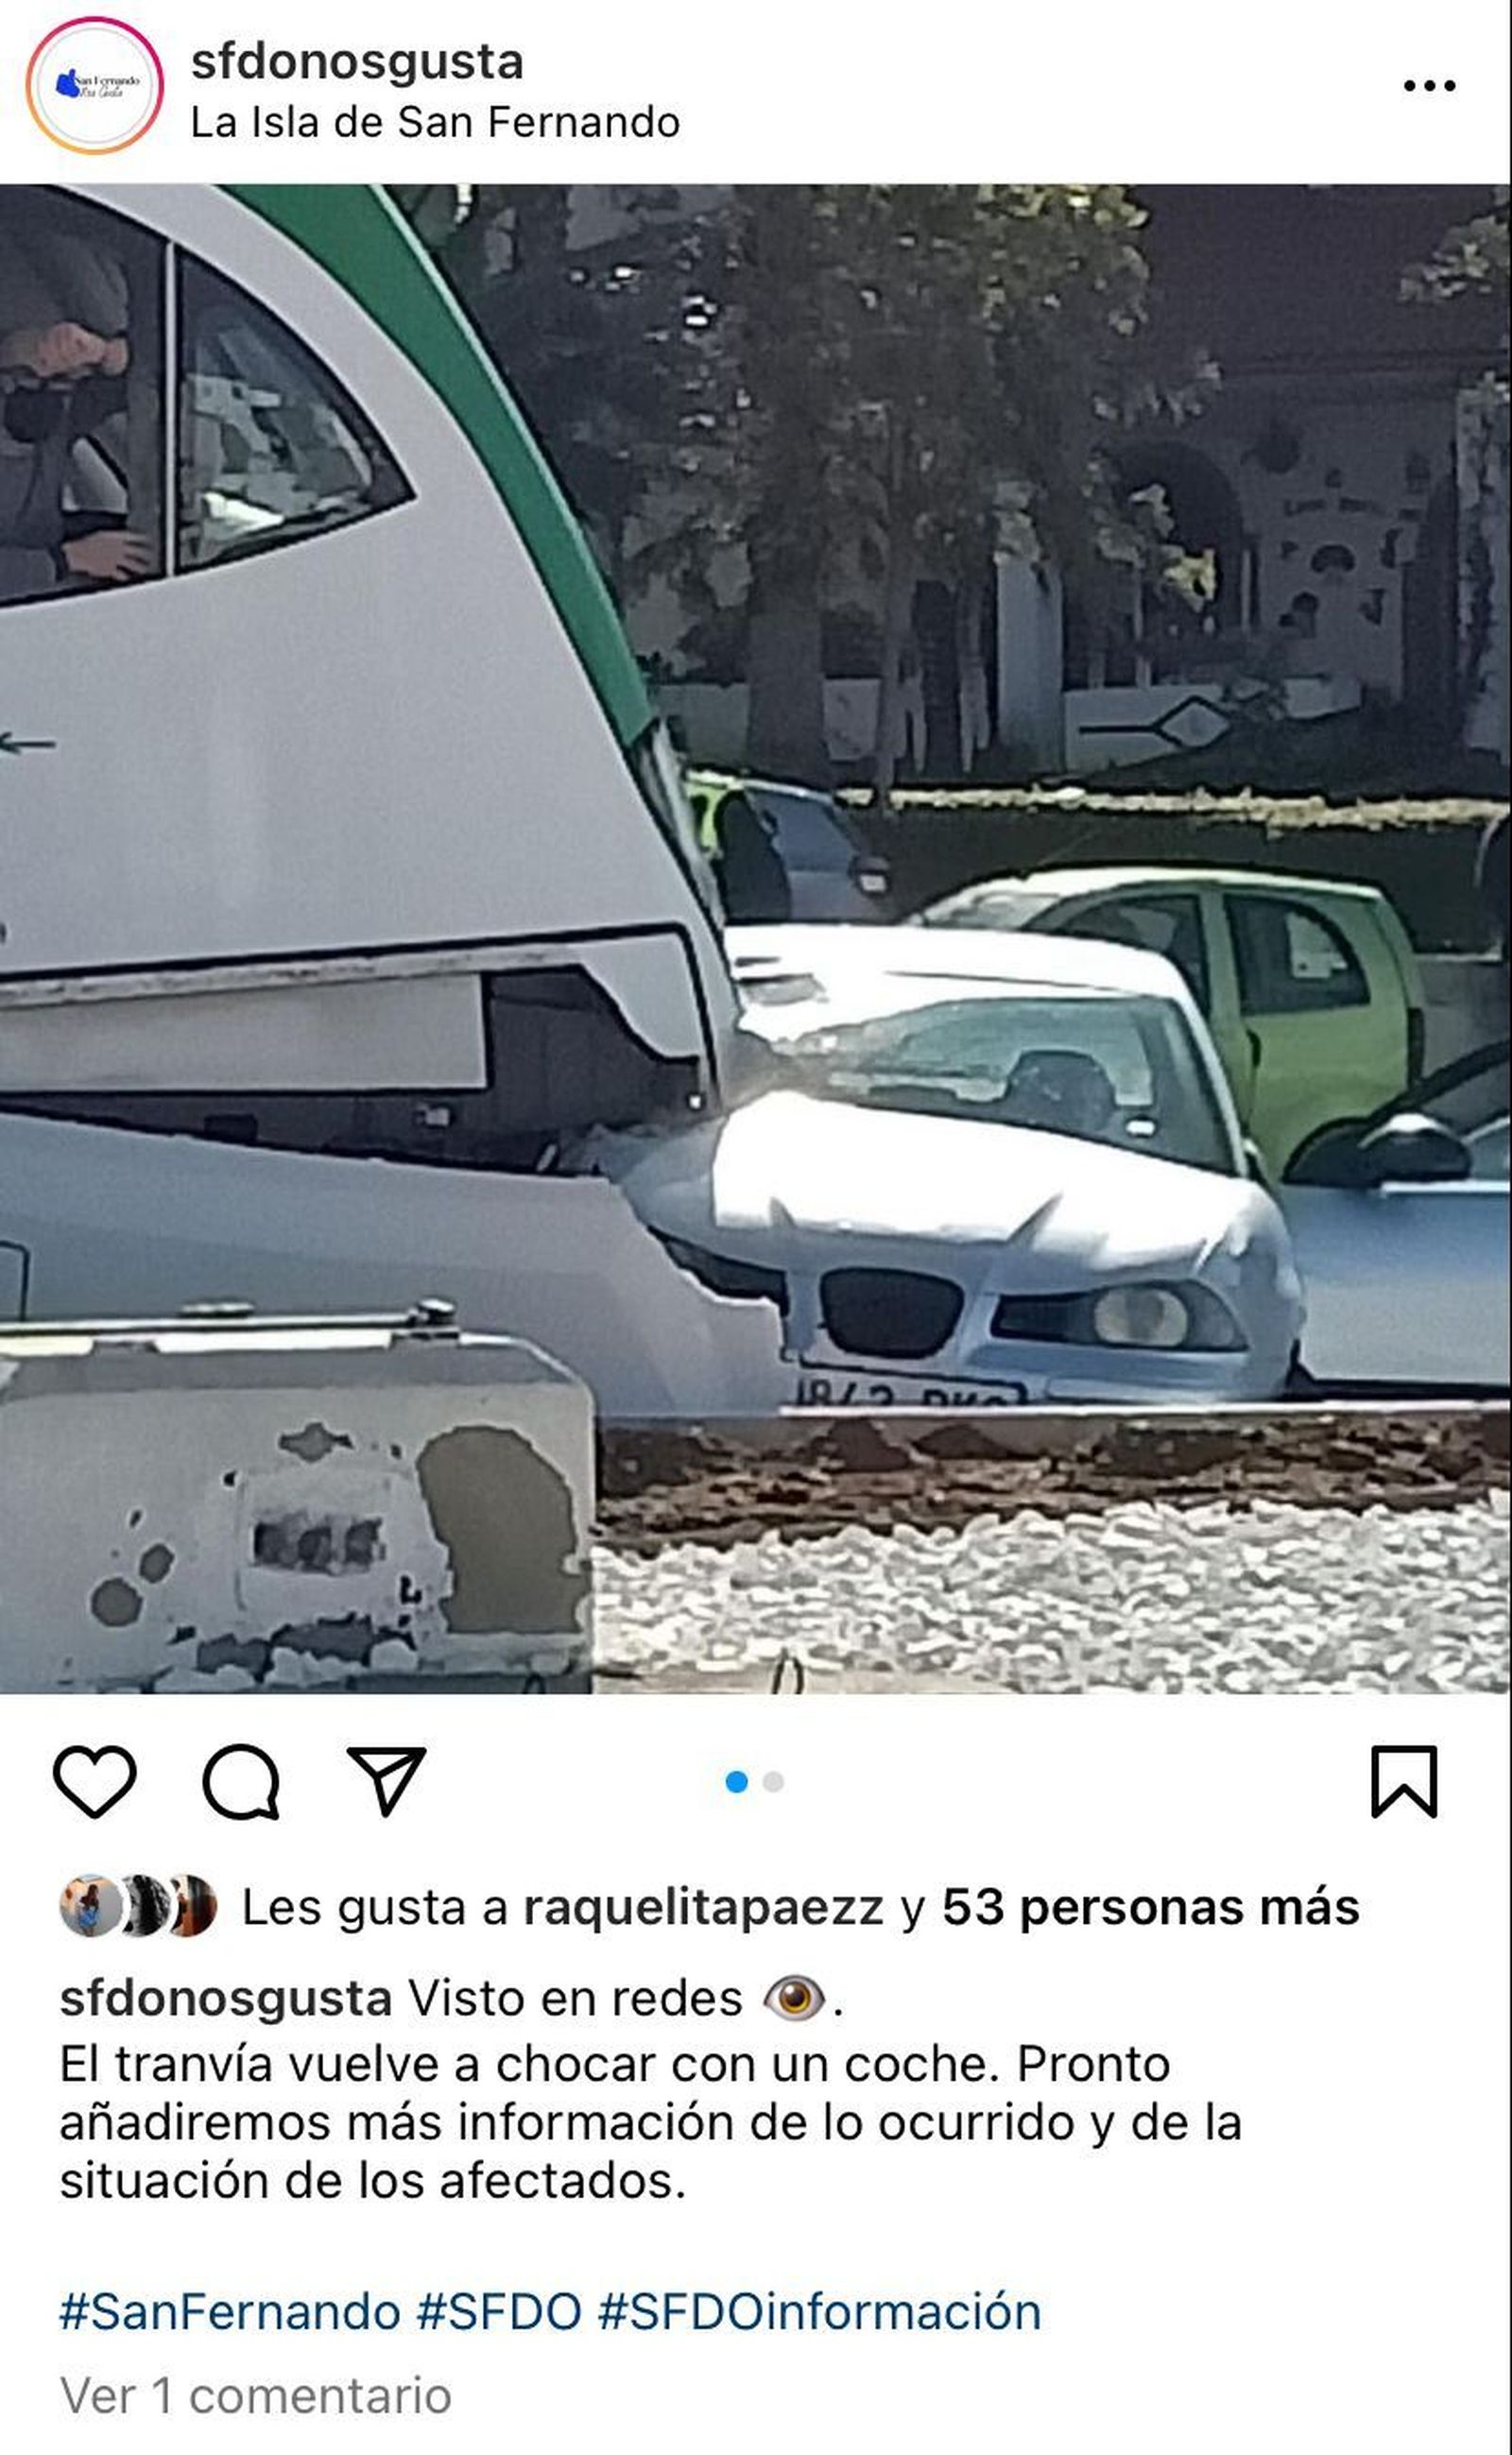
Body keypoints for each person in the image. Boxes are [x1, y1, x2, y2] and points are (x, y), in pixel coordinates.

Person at [0, 215, 151, 601]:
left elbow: (155, 385)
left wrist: (104, 354)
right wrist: (67, 559)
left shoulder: (53, 405)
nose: (44, 371)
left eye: (63, 373)